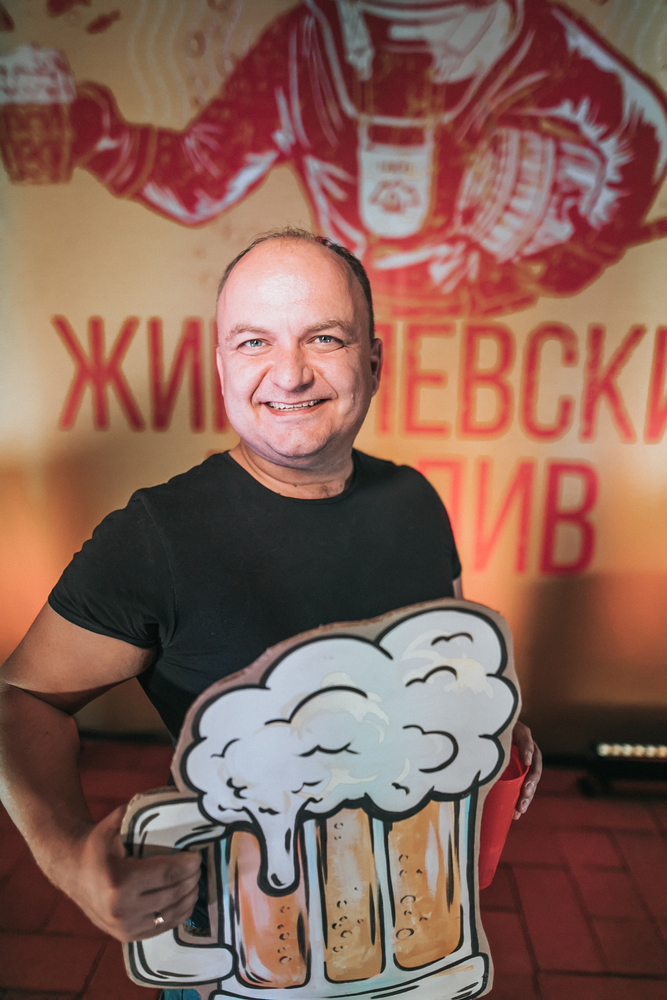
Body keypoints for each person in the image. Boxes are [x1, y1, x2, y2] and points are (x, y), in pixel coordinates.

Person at [0, 228, 541, 947]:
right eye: (254, 342)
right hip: (248, 947)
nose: (290, 375)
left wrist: (488, 723)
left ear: (373, 362)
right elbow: (21, 698)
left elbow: (437, 669)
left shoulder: (415, 501)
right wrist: (69, 859)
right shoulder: (156, 537)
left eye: (325, 338)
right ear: (221, 365)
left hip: (415, 928)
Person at [5, 0, 667, 316]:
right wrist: (96, 135)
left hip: (472, 324)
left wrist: (586, 245)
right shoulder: (304, 52)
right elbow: (201, 176)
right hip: (352, 325)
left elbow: (641, 132)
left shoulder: (535, 43)